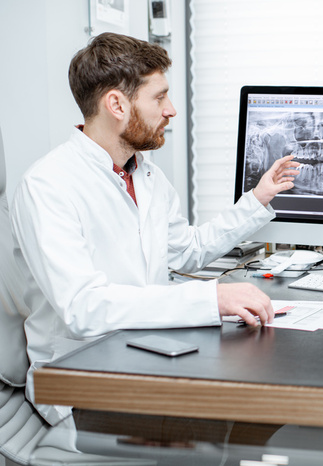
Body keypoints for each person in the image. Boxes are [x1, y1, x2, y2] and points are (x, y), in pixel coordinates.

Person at [10, 32, 299, 425]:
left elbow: (189, 250)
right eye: (159, 97)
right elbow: (84, 308)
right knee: (242, 414)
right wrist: (210, 299)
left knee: (266, 400)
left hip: (145, 352)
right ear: (116, 104)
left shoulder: (146, 175)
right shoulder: (48, 185)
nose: (172, 110)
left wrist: (257, 199)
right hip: (78, 379)